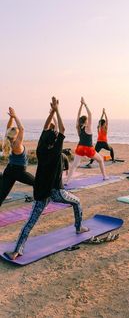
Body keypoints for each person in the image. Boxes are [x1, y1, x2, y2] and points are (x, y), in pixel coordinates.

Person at [4, 97, 89, 260]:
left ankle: (17, 250)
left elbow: (49, 128)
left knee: (30, 222)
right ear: (55, 140)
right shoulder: (57, 150)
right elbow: (62, 128)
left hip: (41, 192)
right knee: (77, 202)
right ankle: (79, 228)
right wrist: (56, 110)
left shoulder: (40, 148)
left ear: (44, 139)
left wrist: (51, 113)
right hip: (57, 192)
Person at [66, 97, 108, 184]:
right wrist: (84, 104)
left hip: (80, 148)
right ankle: (104, 176)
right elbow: (90, 114)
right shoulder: (88, 128)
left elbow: (78, 116)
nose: (88, 120)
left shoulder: (78, 128)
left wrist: (80, 105)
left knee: (74, 166)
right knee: (100, 160)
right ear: (85, 122)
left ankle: (67, 181)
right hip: (89, 149)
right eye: (87, 120)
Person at [0, 107, 34, 206]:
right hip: (19, 172)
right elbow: (22, 128)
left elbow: (8, 129)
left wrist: (11, 118)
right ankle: (40, 201)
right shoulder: (16, 145)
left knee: (1, 196)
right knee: (37, 184)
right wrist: (15, 116)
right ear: (15, 136)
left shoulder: (8, 141)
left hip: (9, 170)